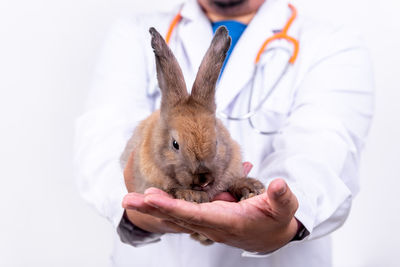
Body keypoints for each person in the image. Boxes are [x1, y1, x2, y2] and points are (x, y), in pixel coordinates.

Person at [74, 0, 374, 266]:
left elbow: (325, 148)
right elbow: (101, 142)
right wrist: (140, 209)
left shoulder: (333, 43)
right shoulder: (132, 33)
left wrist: (282, 215)